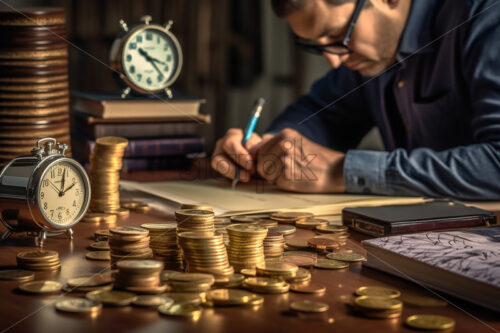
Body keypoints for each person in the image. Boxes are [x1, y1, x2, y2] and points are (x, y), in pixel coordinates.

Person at [211, 0, 500, 200]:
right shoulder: (366, 56)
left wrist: (341, 172)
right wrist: (267, 148)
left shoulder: (486, 18)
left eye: (338, 35)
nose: (334, 61)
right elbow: (323, 114)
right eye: (317, 46)